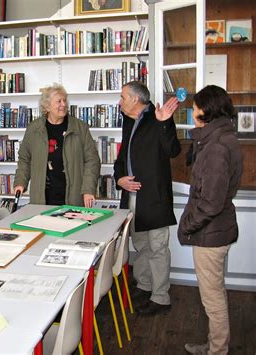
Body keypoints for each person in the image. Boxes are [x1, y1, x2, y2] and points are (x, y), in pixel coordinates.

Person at [178, 86, 243, 355]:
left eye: (194, 107)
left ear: (206, 111)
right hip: (217, 230)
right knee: (214, 294)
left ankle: (217, 350)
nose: (192, 112)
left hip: (210, 234)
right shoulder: (221, 137)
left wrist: (186, 227)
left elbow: (211, 203)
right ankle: (214, 344)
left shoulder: (216, 147)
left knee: (213, 299)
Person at [113, 80, 181, 315]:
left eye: (122, 97)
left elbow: (173, 150)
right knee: (140, 245)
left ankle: (161, 297)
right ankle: (144, 285)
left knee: (158, 247)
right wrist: (119, 177)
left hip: (154, 197)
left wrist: (165, 123)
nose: (119, 101)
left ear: (135, 99)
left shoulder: (157, 117)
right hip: (132, 196)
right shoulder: (128, 120)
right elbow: (122, 156)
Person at [14, 83, 100, 208]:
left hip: (72, 194)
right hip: (42, 196)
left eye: (65, 100)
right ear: (47, 107)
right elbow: (24, 159)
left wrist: (88, 190)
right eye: (59, 101)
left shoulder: (80, 128)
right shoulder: (34, 129)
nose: (64, 104)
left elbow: (92, 161)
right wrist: (20, 182)